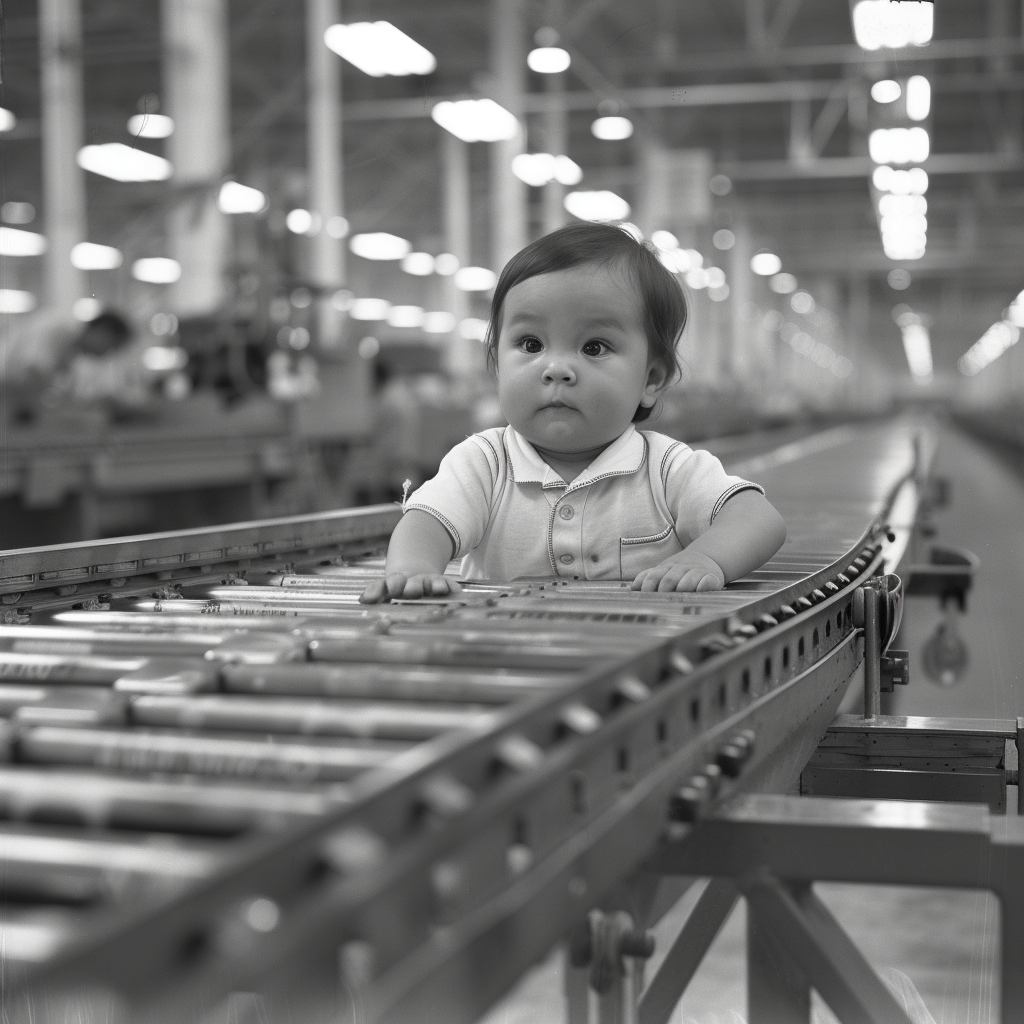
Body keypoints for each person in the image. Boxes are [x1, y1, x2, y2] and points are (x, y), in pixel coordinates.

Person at [360, 223, 786, 603]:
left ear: (651, 377)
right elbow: (427, 522)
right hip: (499, 660)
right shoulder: (484, 463)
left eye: (593, 347)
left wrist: (706, 558)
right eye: (531, 344)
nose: (556, 368)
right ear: (495, 363)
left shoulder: (665, 468)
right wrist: (413, 568)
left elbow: (757, 518)